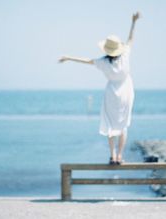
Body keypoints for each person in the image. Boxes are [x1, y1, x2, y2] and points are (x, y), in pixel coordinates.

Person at [59, 12, 140, 165]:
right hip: (126, 91)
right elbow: (130, 39)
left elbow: (86, 61)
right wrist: (134, 22)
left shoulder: (103, 62)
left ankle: (112, 155)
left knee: (110, 124)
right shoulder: (125, 56)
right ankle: (120, 156)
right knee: (123, 124)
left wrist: (69, 57)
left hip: (111, 93)